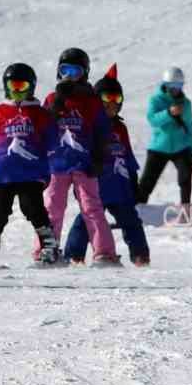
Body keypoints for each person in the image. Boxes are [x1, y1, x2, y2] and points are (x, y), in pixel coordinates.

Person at [65, 67, 150, 267]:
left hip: (120, 189)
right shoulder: (89, 126)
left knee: (131, 222)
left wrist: (134, 183)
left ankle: (140, 255)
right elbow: (80, 153)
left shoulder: (120, 128)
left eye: (116, 99)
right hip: (96, 187)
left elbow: (127, 156)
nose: (112, 104)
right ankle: (73, 255)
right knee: (85, 221)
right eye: (106, 98)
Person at [44, 47, 119, 265]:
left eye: (75, 71)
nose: (69, 76)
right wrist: (57, 103)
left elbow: (103, 131)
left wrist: (100, 156)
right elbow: (43, 127)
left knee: (92, 208)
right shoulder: (52, 98)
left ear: (85, 73)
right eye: (65, 70)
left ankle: (104, 252)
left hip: (85, 164)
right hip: (57, 164)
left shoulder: (92, 101)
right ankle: (46, 251)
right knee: (52, 209)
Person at [0, 61, 59, 266]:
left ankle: (49, 246)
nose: (16, 91)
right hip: (3, 174)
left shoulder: (41, 114)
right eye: (12, 86)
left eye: (21, 86)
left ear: (31, 87)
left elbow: (52, 143)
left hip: (31, 174)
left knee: (33, 208)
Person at [138, 67, 192, 203]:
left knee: (187, 179)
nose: (175, 89)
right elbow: (152, 120)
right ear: (165, 84)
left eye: (179, 85)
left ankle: (187, 208)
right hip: (159, 147)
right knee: (147, 181)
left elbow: (189, 127)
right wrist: (169, 113)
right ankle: (137, 208)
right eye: (172, 85)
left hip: (181, 147)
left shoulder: (186, 104)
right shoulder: (156, 100)